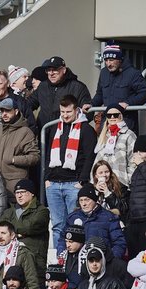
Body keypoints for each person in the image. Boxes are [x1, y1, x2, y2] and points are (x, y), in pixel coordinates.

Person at [45, 95, 97, 247]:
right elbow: (48, 153)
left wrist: (81, 181)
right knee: (57, 226)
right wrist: (47, 178)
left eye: (68, 112)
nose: (65, 115)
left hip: (73, 184)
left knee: (76, 224)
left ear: (76, 110)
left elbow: (89, 157)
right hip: (53, 184)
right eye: (62, 112)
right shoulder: (56, 127)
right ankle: (59, 260)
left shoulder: (86, 129)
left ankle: (75, 258)